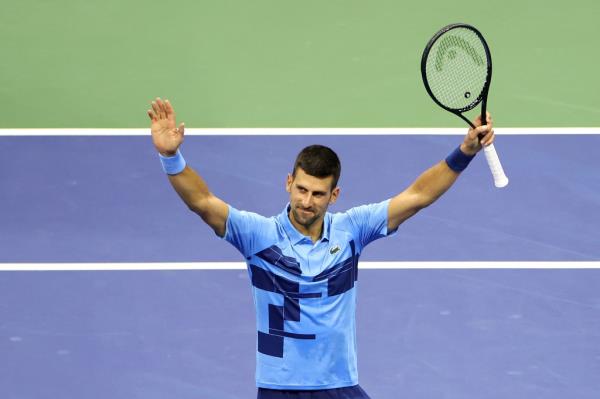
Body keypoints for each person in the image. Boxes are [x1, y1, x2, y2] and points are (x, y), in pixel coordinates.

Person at [147, 97, 495, 399]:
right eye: (301, 189)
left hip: (337, 385)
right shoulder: (258, 235)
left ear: (334, 196)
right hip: (278, 387)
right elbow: (203, 203)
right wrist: (171, 157)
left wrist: (464, 151)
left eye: (317, 194)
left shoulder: (352, 230)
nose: (306, 201)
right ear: (288, 183)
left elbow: (417, 196)